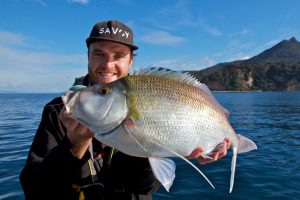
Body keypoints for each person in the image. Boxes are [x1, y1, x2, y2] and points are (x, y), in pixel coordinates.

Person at [20, 20, 230, 200]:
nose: (108, 64)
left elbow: (142, 188)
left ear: (130, 61)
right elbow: (35, 192)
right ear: (88, 56)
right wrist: (73, 145)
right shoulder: (59, 111)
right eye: (99, 54)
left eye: (118, 55)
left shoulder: (145, 97)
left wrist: (187, 149)